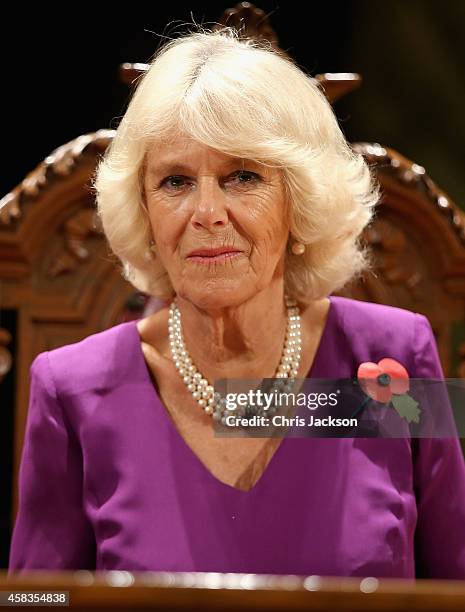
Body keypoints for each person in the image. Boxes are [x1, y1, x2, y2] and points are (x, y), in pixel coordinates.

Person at [8, 27, 465, 578]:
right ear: (145, 212)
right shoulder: (71, 389)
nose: (207, 213)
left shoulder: (397, 355)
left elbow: (455, 585)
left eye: (242, 176)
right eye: (175, 181)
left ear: (300, 201)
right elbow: (36, 598)